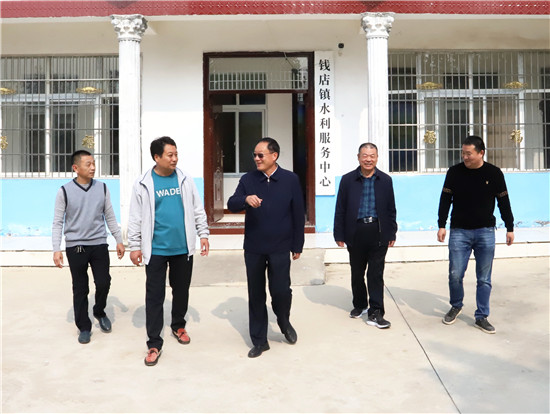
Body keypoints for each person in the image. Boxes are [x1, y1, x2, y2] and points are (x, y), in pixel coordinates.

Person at [128, 136, 209, 366]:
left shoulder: (184, 179)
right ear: (157, 157)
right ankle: (154, 342)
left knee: (181, 290)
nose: (174, 159)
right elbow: (135, 217)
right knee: (154, 296)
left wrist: (203, 234)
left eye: (176, 154)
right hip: (156, 249)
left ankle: (178, 325)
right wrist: (135, 246)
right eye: (169, 155)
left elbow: (197, 208)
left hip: (182, 247)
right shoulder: (143, 183)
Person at [227, 137, 305, 358]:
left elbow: (298, 213)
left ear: (274, 155)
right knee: (256, 294)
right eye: (254, 155)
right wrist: (245, 199)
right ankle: (259, 341)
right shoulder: (248, 179)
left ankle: (283, 320)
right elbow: (232, 204)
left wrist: (297, 244)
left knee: (281, 291)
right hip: (254, 247)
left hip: (280, 246)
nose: (256, 158)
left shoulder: (290, 179)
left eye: (260, 155)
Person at [437, 135, 514, 334]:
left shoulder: (494, 173)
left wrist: (510, 227)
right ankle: (456, 305)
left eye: (469, 153)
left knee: (484, 278)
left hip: (485, 232)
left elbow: (503, 201)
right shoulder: (454, 172)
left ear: (481, 153)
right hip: (459, 231)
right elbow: (445, 199)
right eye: (463, 153)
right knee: (455, 274)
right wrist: (441, 225)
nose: (465, 157)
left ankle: (482, 316)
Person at [52, 150, 125, 344]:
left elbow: (109, 215)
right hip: (75, 246)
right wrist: (56, 249)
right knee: (80, 288)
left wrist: (118, 239)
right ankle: (84, 326)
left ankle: (99, 311)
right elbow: (57, 222)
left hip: (99, 243)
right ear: (76, 168)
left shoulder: (102, 188)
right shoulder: (64, 191)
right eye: (88, 164)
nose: (93, 167)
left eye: (94, 163)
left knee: (103, 282)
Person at [334, 143, 397, 329]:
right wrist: (339, 233)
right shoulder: (348, 180)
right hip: (355, 231)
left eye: (372, 156)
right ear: (358, 157)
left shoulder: (385, 180)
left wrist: (391, 231)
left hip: (378, 231)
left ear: (377, 157)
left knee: (376, 273)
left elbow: (391, 208)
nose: (368, 159)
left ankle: (376, 311)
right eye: (365, 156)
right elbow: (340, 208)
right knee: (357, 271)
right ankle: (360, 304)